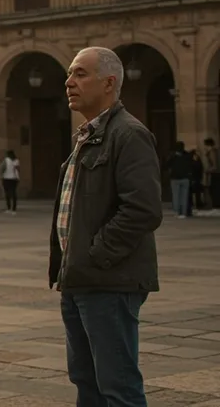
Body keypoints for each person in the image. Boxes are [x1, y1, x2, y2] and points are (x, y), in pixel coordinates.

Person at [51, 46, 161, 407]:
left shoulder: (128, 134)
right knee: (87, 380)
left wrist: (96, 254)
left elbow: (143, 209)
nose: (69, 82)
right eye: (70, 73)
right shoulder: (88, 135)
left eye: (80, 74)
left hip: (108, 281)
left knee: (118, 385)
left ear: (109, 82)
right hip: (80, 279)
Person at [167, 142, 194, 219]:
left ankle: (176, 212)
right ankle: (183, 213)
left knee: (176, 196)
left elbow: (166, 165)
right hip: (185, 178)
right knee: (184, 197)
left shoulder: (173, 157)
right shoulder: (188, 156)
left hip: (175, 178)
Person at [0, 150, 20, 215]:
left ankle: (8, 208)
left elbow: (2, 168)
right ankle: (14, 209)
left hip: (6, 178)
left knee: (7, 193)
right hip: (14, 178)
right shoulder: (16, 160)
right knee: (14, 193)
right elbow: (18, 169)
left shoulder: (6, 160)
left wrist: (1, 175)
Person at [203, 137, 218, 215]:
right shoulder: (213, 151)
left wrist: (207, 170)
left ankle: (216, 207)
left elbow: (215, 165)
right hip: (214, 174)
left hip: (215, 174)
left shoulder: (212, 152)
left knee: (214, 190)